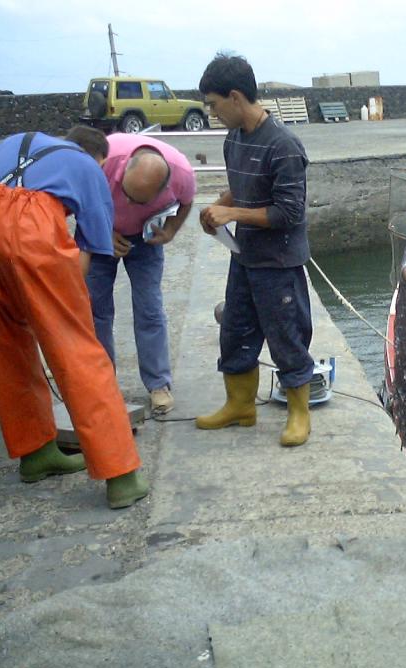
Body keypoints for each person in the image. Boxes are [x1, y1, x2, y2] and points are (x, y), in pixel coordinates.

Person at [0, 127, 149, 510]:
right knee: (78, 353)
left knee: (3, 346)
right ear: (97, 158)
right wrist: (59, 306)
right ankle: (121, 476)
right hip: (30, 229)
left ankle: (36, 454)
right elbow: (91, 249)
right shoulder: (88, 167)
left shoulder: (15, 140)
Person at [196, 53, 315, 447]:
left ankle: (300, 413)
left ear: (234, 97)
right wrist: (219, 208)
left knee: (286, 336)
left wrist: (232, 211)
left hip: (278, 262)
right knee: (234, 331)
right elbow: (241, 187)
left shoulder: (283, 145)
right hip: (244, 256)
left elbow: (289, 213)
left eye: (214, 105)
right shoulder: (235, 139)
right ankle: (240, 405)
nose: (213, 113)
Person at [86, 133, 196, 416]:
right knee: (96, 310)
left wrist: (171, 231)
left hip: (145, 240)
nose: (132, 205)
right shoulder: (103, 159)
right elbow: (79, 199)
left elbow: (186, 201)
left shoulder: (182, 173)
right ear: (122, 172)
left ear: (163, 188)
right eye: (129, 196)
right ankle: (102, 385)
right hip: (99, 233)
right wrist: (105, 233)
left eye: (141, 201)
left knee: (149, 309)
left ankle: (159, 384)